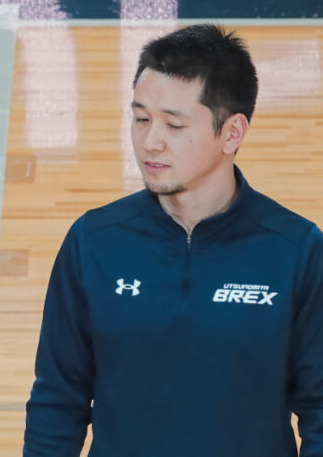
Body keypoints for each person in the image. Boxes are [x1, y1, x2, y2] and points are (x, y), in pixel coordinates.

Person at [24, 24, 323, 456]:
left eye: (174, 125)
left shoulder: (297, 251)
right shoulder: (93, 242)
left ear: (232, 133)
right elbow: (58, 400)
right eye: (141, 119)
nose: (151, 142)